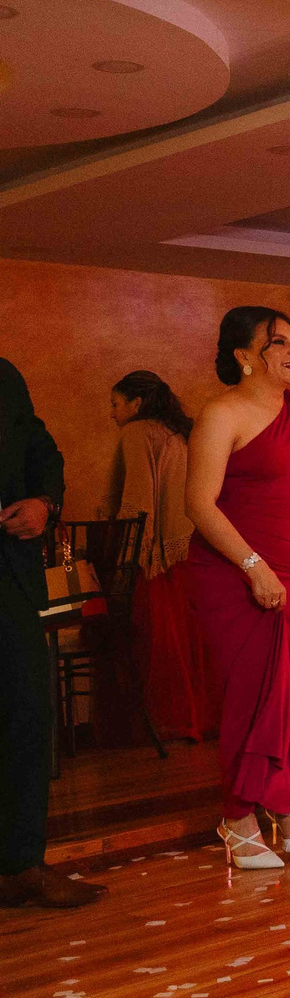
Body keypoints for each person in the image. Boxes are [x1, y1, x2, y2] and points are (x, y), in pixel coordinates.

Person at [188, 309, 290, 868]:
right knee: (257, 695)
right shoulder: (221, 413)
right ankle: (236, 815)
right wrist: (254, 567)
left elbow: (289, 490)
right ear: (245, 356)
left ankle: (283, 800)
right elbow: (199, 504)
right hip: (235, 571)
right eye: (278, 342)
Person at [0, 358, 89, 907]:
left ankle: (20, 865)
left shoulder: (5, 375)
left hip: (8, 573)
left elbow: (42, 452)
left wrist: (44, 502)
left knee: (29, 713)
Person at [107, 369, 220, 739]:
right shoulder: (180, 433)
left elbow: (138, 505)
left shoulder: (137, 432)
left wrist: (124, 556)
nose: (112, 412)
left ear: (136, 404)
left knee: (158, 643)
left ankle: (167, 724)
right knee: (192, 644)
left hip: (156, 556)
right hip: (190, 550)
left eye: (115, 403)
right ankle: (201, 719)